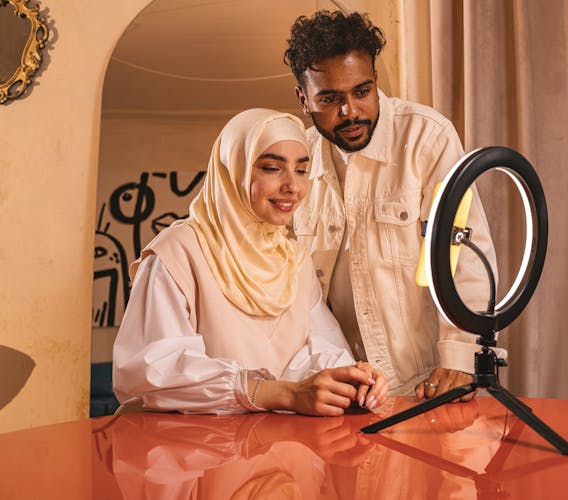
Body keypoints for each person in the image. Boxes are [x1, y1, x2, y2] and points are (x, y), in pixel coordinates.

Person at [113, 108, 388, 416]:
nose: (293, 187)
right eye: (272, 168)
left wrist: (352, 379)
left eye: (301, 170)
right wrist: (275, 392)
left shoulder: (293, 260)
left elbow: (318, 351)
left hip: (266, 449)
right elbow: (153, 373)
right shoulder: (178, 251)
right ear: (233, 170)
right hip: (184, 450)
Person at [284, 11, 500, 399]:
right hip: (343, 390)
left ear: (376, 81)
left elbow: (467, 255)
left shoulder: (426, 138)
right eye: (330, 99)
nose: (350, 111)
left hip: (428, 382)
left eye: (362, 92)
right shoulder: (297, 161)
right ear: (303, 99)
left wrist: (462, 357)